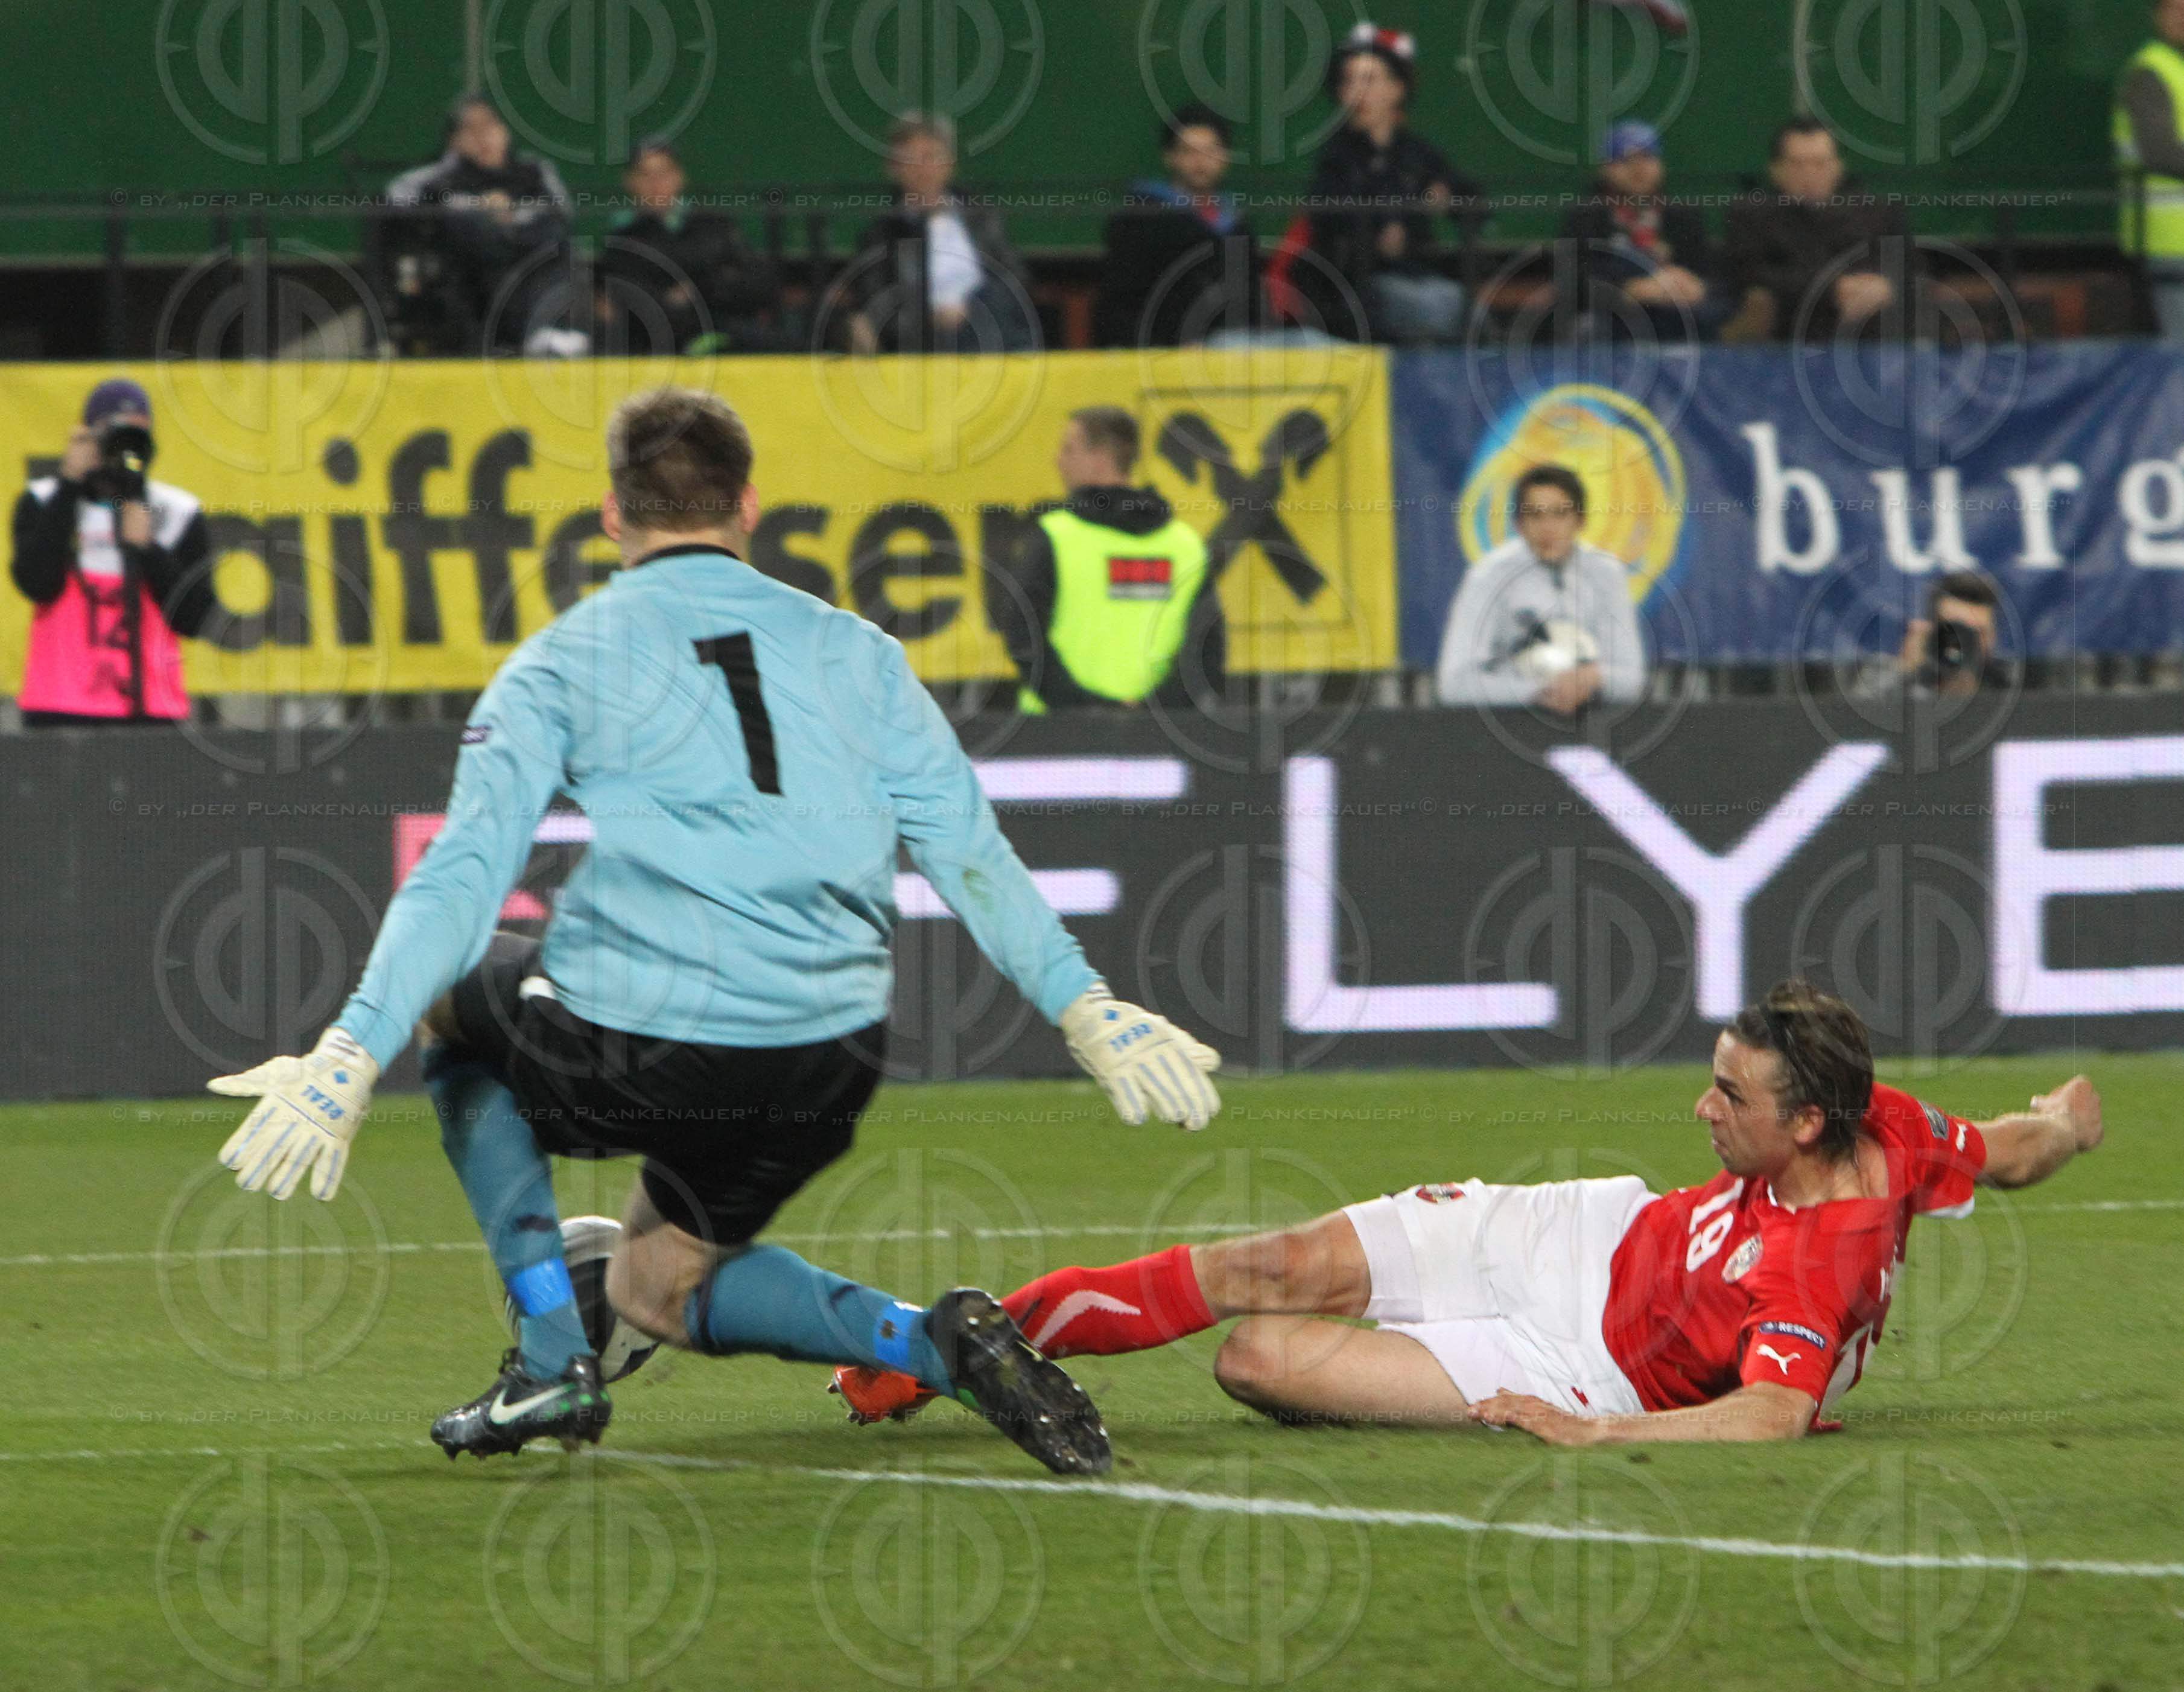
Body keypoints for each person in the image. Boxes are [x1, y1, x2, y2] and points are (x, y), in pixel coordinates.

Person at [203, 387, 1222, 1477]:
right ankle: (935, 1342)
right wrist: (1087, 1007)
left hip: (650, 1043)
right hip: (827, 1059)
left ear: (612, 514)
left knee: (455, 995)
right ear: (748, 506)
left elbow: (463, 873)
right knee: (657, 1290)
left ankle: (550, 1356)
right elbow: (971, 853)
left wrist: (350, 1048)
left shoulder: (563, 658)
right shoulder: (859, 651)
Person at [832, 979, 2106, 1442]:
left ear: (1807, 1123)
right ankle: (929, 1356)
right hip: (1581, 1232)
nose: (1703, 1108)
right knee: (1264, 1261)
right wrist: (2065, 1121)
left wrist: (1593, 1433)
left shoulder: (1820, 1259)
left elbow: (1774, 1414)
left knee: (1255, 1357)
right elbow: (2007, 1150)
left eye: (1731, 1095)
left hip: (1582, 1366)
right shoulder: (1892, 1122)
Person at [988, 407, 1225, 713]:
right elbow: (1208, 652)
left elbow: (1022, 637)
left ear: (1100, 458)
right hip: (1157, 734)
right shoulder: (1184, 546)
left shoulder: (1055, 537)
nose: (1058, 460)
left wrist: (1088, 709)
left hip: (1056, 731)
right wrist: (1153, 713)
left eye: (1069, 449)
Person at [11, 378, 215, 726]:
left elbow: (197, 620)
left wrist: (150, 550)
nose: (125, 446)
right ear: (88, 435)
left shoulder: (178, 512)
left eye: (137, 433)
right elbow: (36, 584)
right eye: (114, 433)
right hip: (61, 706)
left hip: (151, 710)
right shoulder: (44, 501)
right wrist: (69, 485)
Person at [1302, 24, 1482, 345]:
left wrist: (1448, 198)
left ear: (1397, 89)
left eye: (1369, 80)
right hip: (1356, 291)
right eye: (1348, 81)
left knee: (1466, 311)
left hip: (1418, 277)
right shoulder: (1336, 158)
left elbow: (1475, 201)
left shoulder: (1418, 154)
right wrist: (1376, 236)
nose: (1357, 93)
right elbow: (1330, 225)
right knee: (1439, 307)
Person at [1433, 464, 1646, 714]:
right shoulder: (1487, 577)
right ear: (1519, 523)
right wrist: (1538, 691)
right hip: (1510, 721)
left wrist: (1595, 678)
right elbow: (1454, 684)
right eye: (1535, 515)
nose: (1548, 527)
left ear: (1581, 520)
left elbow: (1632, 679)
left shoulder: (1607, 575)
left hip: (1592, 721)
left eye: (1560, 514)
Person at [386, 95, 572, 352]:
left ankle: (544, 336)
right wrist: (481, 209)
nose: (483, 137)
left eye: (489, 126)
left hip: (528, 263)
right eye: (470, 129)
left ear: (504, 132)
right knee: (473, 231)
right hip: (471, 276)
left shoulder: (534, 172)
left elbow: (562, 212)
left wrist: (511, 216)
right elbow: (396, 195)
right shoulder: (442, 179)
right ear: (455, 141)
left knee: (555, 242)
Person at [843, 113, 1036, 354]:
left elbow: (1016, 278)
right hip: (926, 340)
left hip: (993, 326)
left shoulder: (980, 217)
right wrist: (930, 316)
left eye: (931, 157)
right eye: (911, 160)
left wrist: (972, 309)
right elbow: (877, 303)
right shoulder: (882, 233)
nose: (923, 169)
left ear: (950, 163)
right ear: (893, 168)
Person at [1723, 119, 1914, 342]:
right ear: (1776, 170)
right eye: (1797, 164)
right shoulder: (1751, 215)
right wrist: (1833, 288)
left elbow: (1908, 271)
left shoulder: (1878, 213)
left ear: (1838, 167)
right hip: (1784, 338)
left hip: (1870, 339)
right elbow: (1746, 275)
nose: (1809, 174)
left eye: (1820, 164)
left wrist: (1886, 287)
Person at [597, 138, 784, 355]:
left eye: (664, 173)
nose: (656, 184)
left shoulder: (713, 225)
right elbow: (643, 307)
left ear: (679, 176)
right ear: (630, 181)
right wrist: (709, 285)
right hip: (663, 350)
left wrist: (694, 291)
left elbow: (758, 284)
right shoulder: (623, 241)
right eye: (646, 175)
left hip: (731, 335)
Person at [1096, 104, 1261, 347]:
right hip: (1166, 349)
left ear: (1226, 157)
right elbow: (1123, 303)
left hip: (1234, 346)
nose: (1200, 162)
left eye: (1210, 152)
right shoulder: (1141, 219)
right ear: (1170, 157)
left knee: (1311, 342)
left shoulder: (1236, 225)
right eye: (1189, 152)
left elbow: (1249, 301)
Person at [1557, 121, 1725, 341]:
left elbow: (1707, 271)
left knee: (1711, 315)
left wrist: (1695, 285)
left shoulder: (1683, 215)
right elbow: (1573, 280)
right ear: (1606, 168)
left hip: (1676, 310)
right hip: (1614, 314)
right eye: (1625, 160)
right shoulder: (1587, 215)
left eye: (1647, 158)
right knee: (1589, 328)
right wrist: (1631, 290)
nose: (1638, 169)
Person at [2114, 0, 2184, 339]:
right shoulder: (2151, 71)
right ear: (2158, 15)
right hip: (2169, 244)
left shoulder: (2176, 67)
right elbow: (2160, 152)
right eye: (2176, 9)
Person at [1855, 569, 2008, 700]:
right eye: (1954, 630)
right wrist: (1906, 670)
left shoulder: (2010, 685)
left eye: (1977, 633)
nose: (1964, 642)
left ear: (1993, 636)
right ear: (1930, 631)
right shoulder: (1884, 675)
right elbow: (1857, 717)